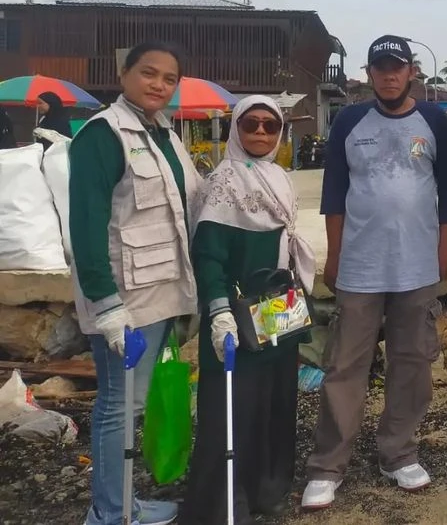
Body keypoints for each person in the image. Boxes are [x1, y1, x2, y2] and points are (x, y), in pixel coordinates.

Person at [302, 35, 447, 511]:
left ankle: (397, 453)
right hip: (359, 266)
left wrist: (444, 247)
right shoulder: (350, 121)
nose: (389, 75)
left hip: (417, 266)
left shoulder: (434, 120)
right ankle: (327, 465)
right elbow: (333, 193)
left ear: (411, 71)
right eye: (380, 68)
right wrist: (334, 255)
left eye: (397, 67)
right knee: (344, 365)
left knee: (412, 361)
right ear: (370, 73)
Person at [68, 41, 200, 525]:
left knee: (134, 405)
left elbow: (190, 205)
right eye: (148, 73)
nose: (159, 85)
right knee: (118, 407)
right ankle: (109, 512)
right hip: (125, 302)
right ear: (123, 73)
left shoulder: (165, 134)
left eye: (169, 79)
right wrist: (107, 306)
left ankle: (125, 502)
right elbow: (85, 224)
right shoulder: (102, 136)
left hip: (162, 293)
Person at [180, 95, 316, 524]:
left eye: (269, 126)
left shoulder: (278, 175)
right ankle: (224, 503)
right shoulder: (222, 183)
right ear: (235, 129)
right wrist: (217, 310)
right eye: (251, 124)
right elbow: (209, 256)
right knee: (233, 405)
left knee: (276, 399)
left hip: (278, 303)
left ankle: (269, 491)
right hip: (236, 312)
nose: (260, 132)